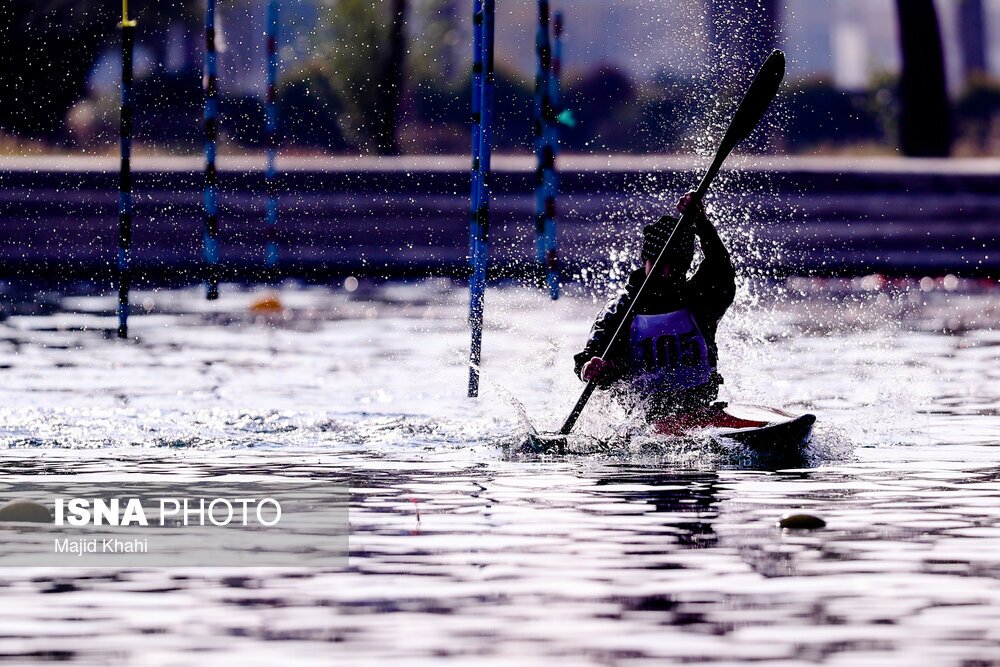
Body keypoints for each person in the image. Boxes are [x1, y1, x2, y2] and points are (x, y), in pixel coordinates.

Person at [573, 191, 736, 423]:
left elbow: (720, 269)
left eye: (676, 265)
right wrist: (592, 370)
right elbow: (589, 358)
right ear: (646, 260)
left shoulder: (700, 300)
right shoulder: (620, 311)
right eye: (660, 262)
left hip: (700, 409)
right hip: (647, 422)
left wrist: (701, 222)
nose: (667, 272)